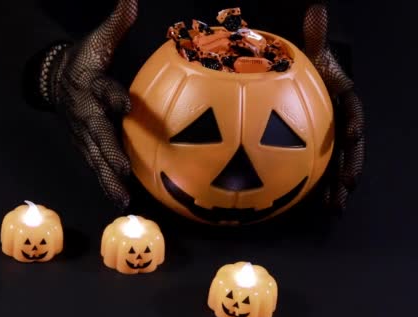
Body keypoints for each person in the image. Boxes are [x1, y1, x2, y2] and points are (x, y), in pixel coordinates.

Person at [23, 0, 364, 215]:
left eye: (280, 135)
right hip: (89, 161)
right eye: (202, 132)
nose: (236, 179)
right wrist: (53, 68)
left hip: (300, 220)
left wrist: (319, 81)